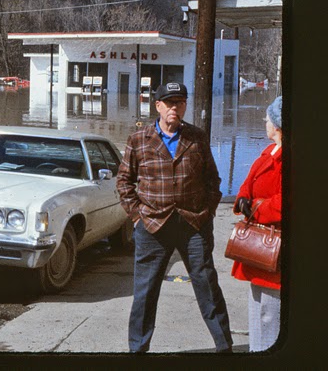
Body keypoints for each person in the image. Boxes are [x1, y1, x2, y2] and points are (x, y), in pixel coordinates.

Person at [116, 82, 232, 354]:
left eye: (180, 102)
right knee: (144, 293)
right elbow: (124, 182)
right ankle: (137, 350)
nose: (174, 108)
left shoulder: (197, 137)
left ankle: (225, 349)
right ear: (157, 106)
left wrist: (208, 212)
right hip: (152, 227)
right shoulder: (139, 139)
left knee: (207, 286)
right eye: (169, 103)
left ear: (185, 106)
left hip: (193, 224)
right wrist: (137, 216)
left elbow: (212, 180)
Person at [231, 96, 283, 352]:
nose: (265, 122)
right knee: (257, 308)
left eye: (268, 118)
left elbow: (288, 201)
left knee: (271, 314)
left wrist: (258, 208)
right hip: (257, 247)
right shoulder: (268, 152)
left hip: (274, 247)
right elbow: (248, 182)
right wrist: (242, 198)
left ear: (278, 125)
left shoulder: (289, 158)